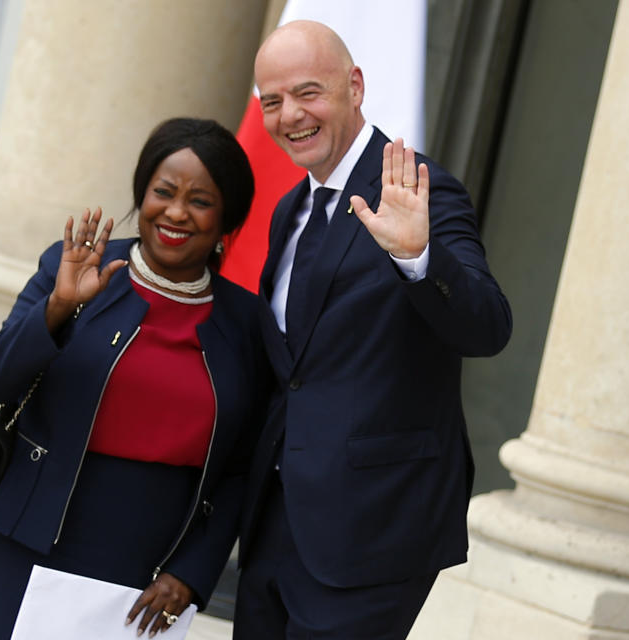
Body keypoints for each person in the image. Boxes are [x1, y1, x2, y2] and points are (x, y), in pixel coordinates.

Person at [232, 21, 513, 639]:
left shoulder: (417, 189)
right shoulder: (290, 209)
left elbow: (488, 327)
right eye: (271, 101)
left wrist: (419, 259)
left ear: (354, 86)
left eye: (309, 92)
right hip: (278, 524)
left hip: (375, 527)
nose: (289, 116)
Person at [0, 117, 267, 639]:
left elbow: (243, 469)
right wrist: (56, 308)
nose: (175, 212)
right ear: (141, 196)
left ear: (226, 220)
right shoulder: (74, 269)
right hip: (28, 538)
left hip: (147, 571)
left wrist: (192, 572)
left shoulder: (248, 324)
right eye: (162, 192)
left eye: (200, 201)